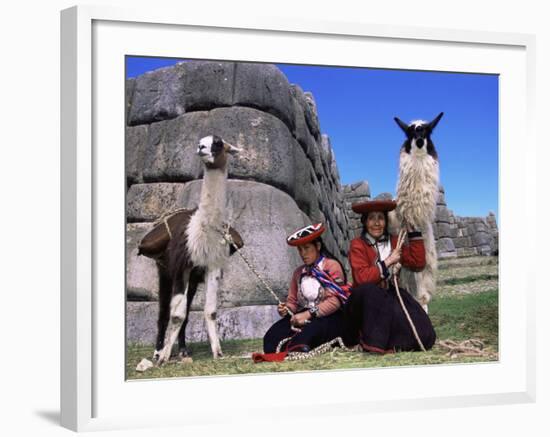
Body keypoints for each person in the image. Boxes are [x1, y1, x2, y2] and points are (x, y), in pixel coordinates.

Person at [343, 199, 436, 353]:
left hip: (389, 295)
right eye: (371, 218)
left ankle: (393, 343)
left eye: (380, 218)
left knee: (424, 332)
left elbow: (417, 263)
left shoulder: (394, 242)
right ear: (365, 222)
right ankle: (373, 344)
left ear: (386, 221)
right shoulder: (358, 245)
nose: (377, 223)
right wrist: (388, 261)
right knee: (370, 291)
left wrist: (413, 230)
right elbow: (362, 278)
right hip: (364, 301)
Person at [262, 223, 349, 355]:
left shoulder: (331, 266)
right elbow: (292, 302)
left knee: (308, 334)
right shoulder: (298, 273)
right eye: (300, 250)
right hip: (304, 315)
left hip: (328, 316)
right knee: (271, 337)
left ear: (318, 246)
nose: (303, 254)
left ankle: (300, 346)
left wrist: (308, 314)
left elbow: (335, 301)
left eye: (307, 248)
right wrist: (286, 309)